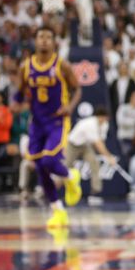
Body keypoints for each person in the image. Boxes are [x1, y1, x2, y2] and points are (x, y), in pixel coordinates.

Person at [12, 26, 83, 228]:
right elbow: (19, 91)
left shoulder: (62, 65)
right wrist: (16, 103)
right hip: (37, 122)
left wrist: (69, 106)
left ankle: (71, 176)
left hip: (57, 121)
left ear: (54, 42)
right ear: (35, 41)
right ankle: (58, 211)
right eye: (40, 37)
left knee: (49, 160)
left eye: (48, 37)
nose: (44, 40)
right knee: (39, 166)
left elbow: (77, 89)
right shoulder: (26, 66)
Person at [65, 106, 117, 204]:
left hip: (85, 146)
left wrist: (106, 156)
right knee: (63, 167)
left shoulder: (105, 124)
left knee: (95, 163)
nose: (106, 120)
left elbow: (101, 141)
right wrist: (109, 157)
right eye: (104, 117)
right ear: (99, 117)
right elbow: (97, 143)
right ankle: (50, 191)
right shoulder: (90, 124)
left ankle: (95, 194)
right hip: (72, 145)